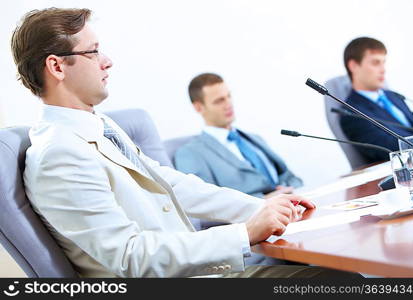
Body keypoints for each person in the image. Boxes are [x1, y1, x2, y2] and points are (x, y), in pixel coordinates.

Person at [13, 8, 358, 278]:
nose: (108, 61)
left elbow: (170, 182)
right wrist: (244, 233)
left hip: (200, 276)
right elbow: (128, 258)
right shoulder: (59, 154)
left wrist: (261, 209)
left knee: (342, 275)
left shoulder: (99, 125)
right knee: (345, 282)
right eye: (94, 52)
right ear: (57, 67)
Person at [175, 73, 302, 200]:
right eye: (219, 101)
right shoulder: (190, 153)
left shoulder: (255, 139)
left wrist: (288, 189)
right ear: (199, 107)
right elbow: (204, 203)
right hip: (256, 216)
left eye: (228, 96)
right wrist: (264, 200)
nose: (228, 104)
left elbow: (291, 178)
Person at [340, 37, 413, 164]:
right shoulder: (351, 114)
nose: (383, 70)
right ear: (353, 66)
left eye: (383, 62)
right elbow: (390, 148)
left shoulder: (392, 96)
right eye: (376, 63)